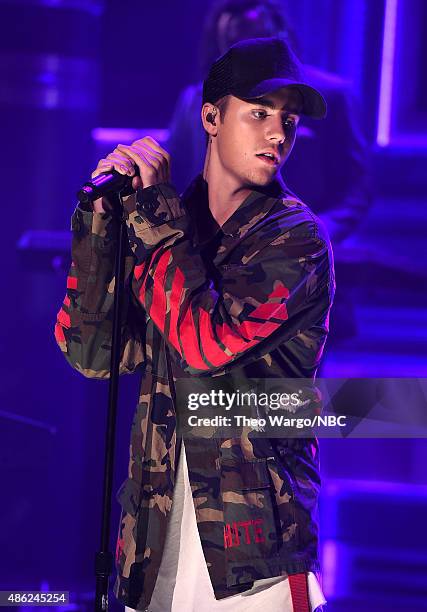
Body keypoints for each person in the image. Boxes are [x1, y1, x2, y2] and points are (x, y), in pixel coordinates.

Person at [55, 37, 334, 611]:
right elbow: (93, 354)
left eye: (288, 119)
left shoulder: (295, 240)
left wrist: (155, 214)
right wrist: (100, 225)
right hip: (153, 553)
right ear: (210, 116)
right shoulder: (171, 233)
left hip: (257, 565)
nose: (278, 134)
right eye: (259, 113)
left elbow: (204, 342)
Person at [168, 0, 369, 245]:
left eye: (259, 38)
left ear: (280, 34)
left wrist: (314, 234)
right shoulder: (194, 101)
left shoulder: (333, 97)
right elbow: (177, 179)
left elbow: (355, 191)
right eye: (235, 45)